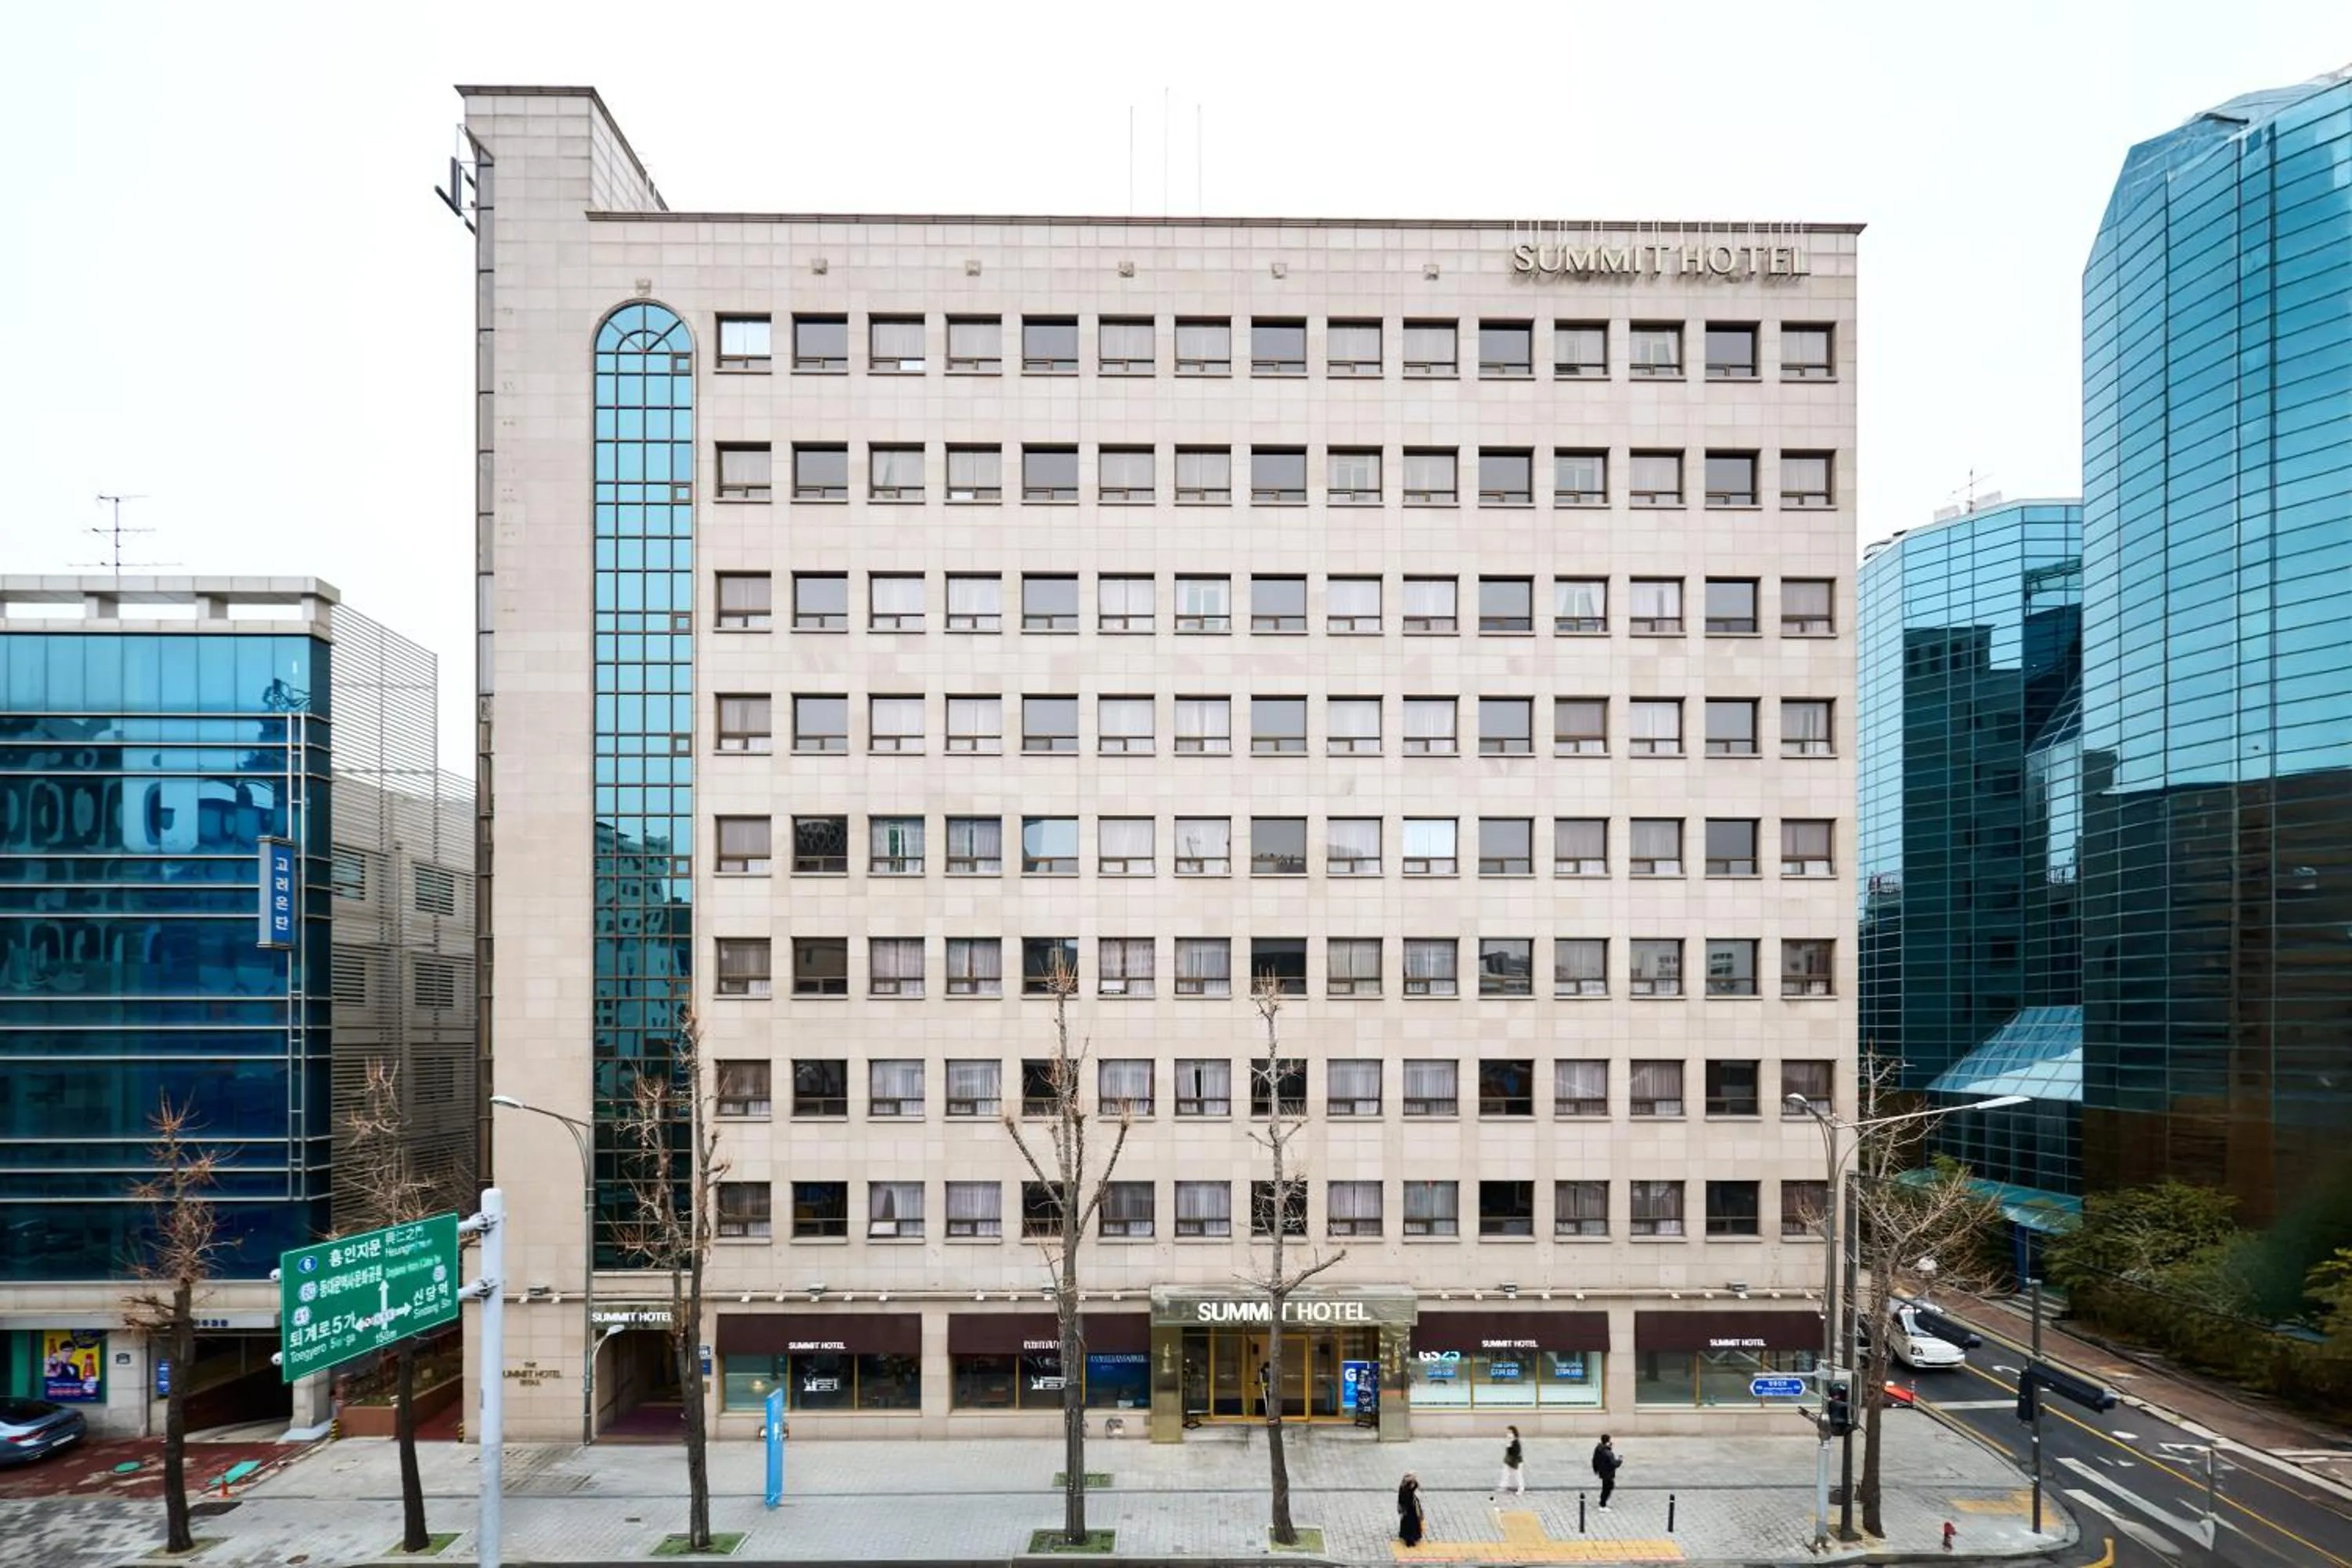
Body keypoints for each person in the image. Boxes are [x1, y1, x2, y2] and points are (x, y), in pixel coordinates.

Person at [1493, 1424, 1526, 1499]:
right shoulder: (1510, 1441)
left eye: (1510, 1432)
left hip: (1516, 1462)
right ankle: (1503, 1486)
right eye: (1508, 1432)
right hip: (1509, 1461)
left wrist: (1509, 1446)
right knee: (1505, 1474)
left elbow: (1515, 1452)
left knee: (1518, 1475)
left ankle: (1521, 1489)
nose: (1508, 1434)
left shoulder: (1516, 1442)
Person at [1591, 1433, 1622, 1509]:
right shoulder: (1607, 1453)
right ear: (1608, 1442)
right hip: (1608, 1472)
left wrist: (1596, 1469)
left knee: (1605, 1486)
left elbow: (1594, 1460)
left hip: (1602, 1471)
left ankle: (1602, 1499)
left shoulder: (1598, 1448)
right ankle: (1603, 1504)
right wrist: (1620, 1460)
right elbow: (1614, 1463)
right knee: (1608, 1487)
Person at [1397, 1472, 1426, 1547]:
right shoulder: (1405, 1489)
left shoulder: (1407, 1487)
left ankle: (1412, 1538)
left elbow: (1416, 1486)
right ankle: (1409, 1539)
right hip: (1408, 1510)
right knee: (1410, 1525)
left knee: (1412, 1524)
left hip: (1411, 1510)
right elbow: (1403, 1500)